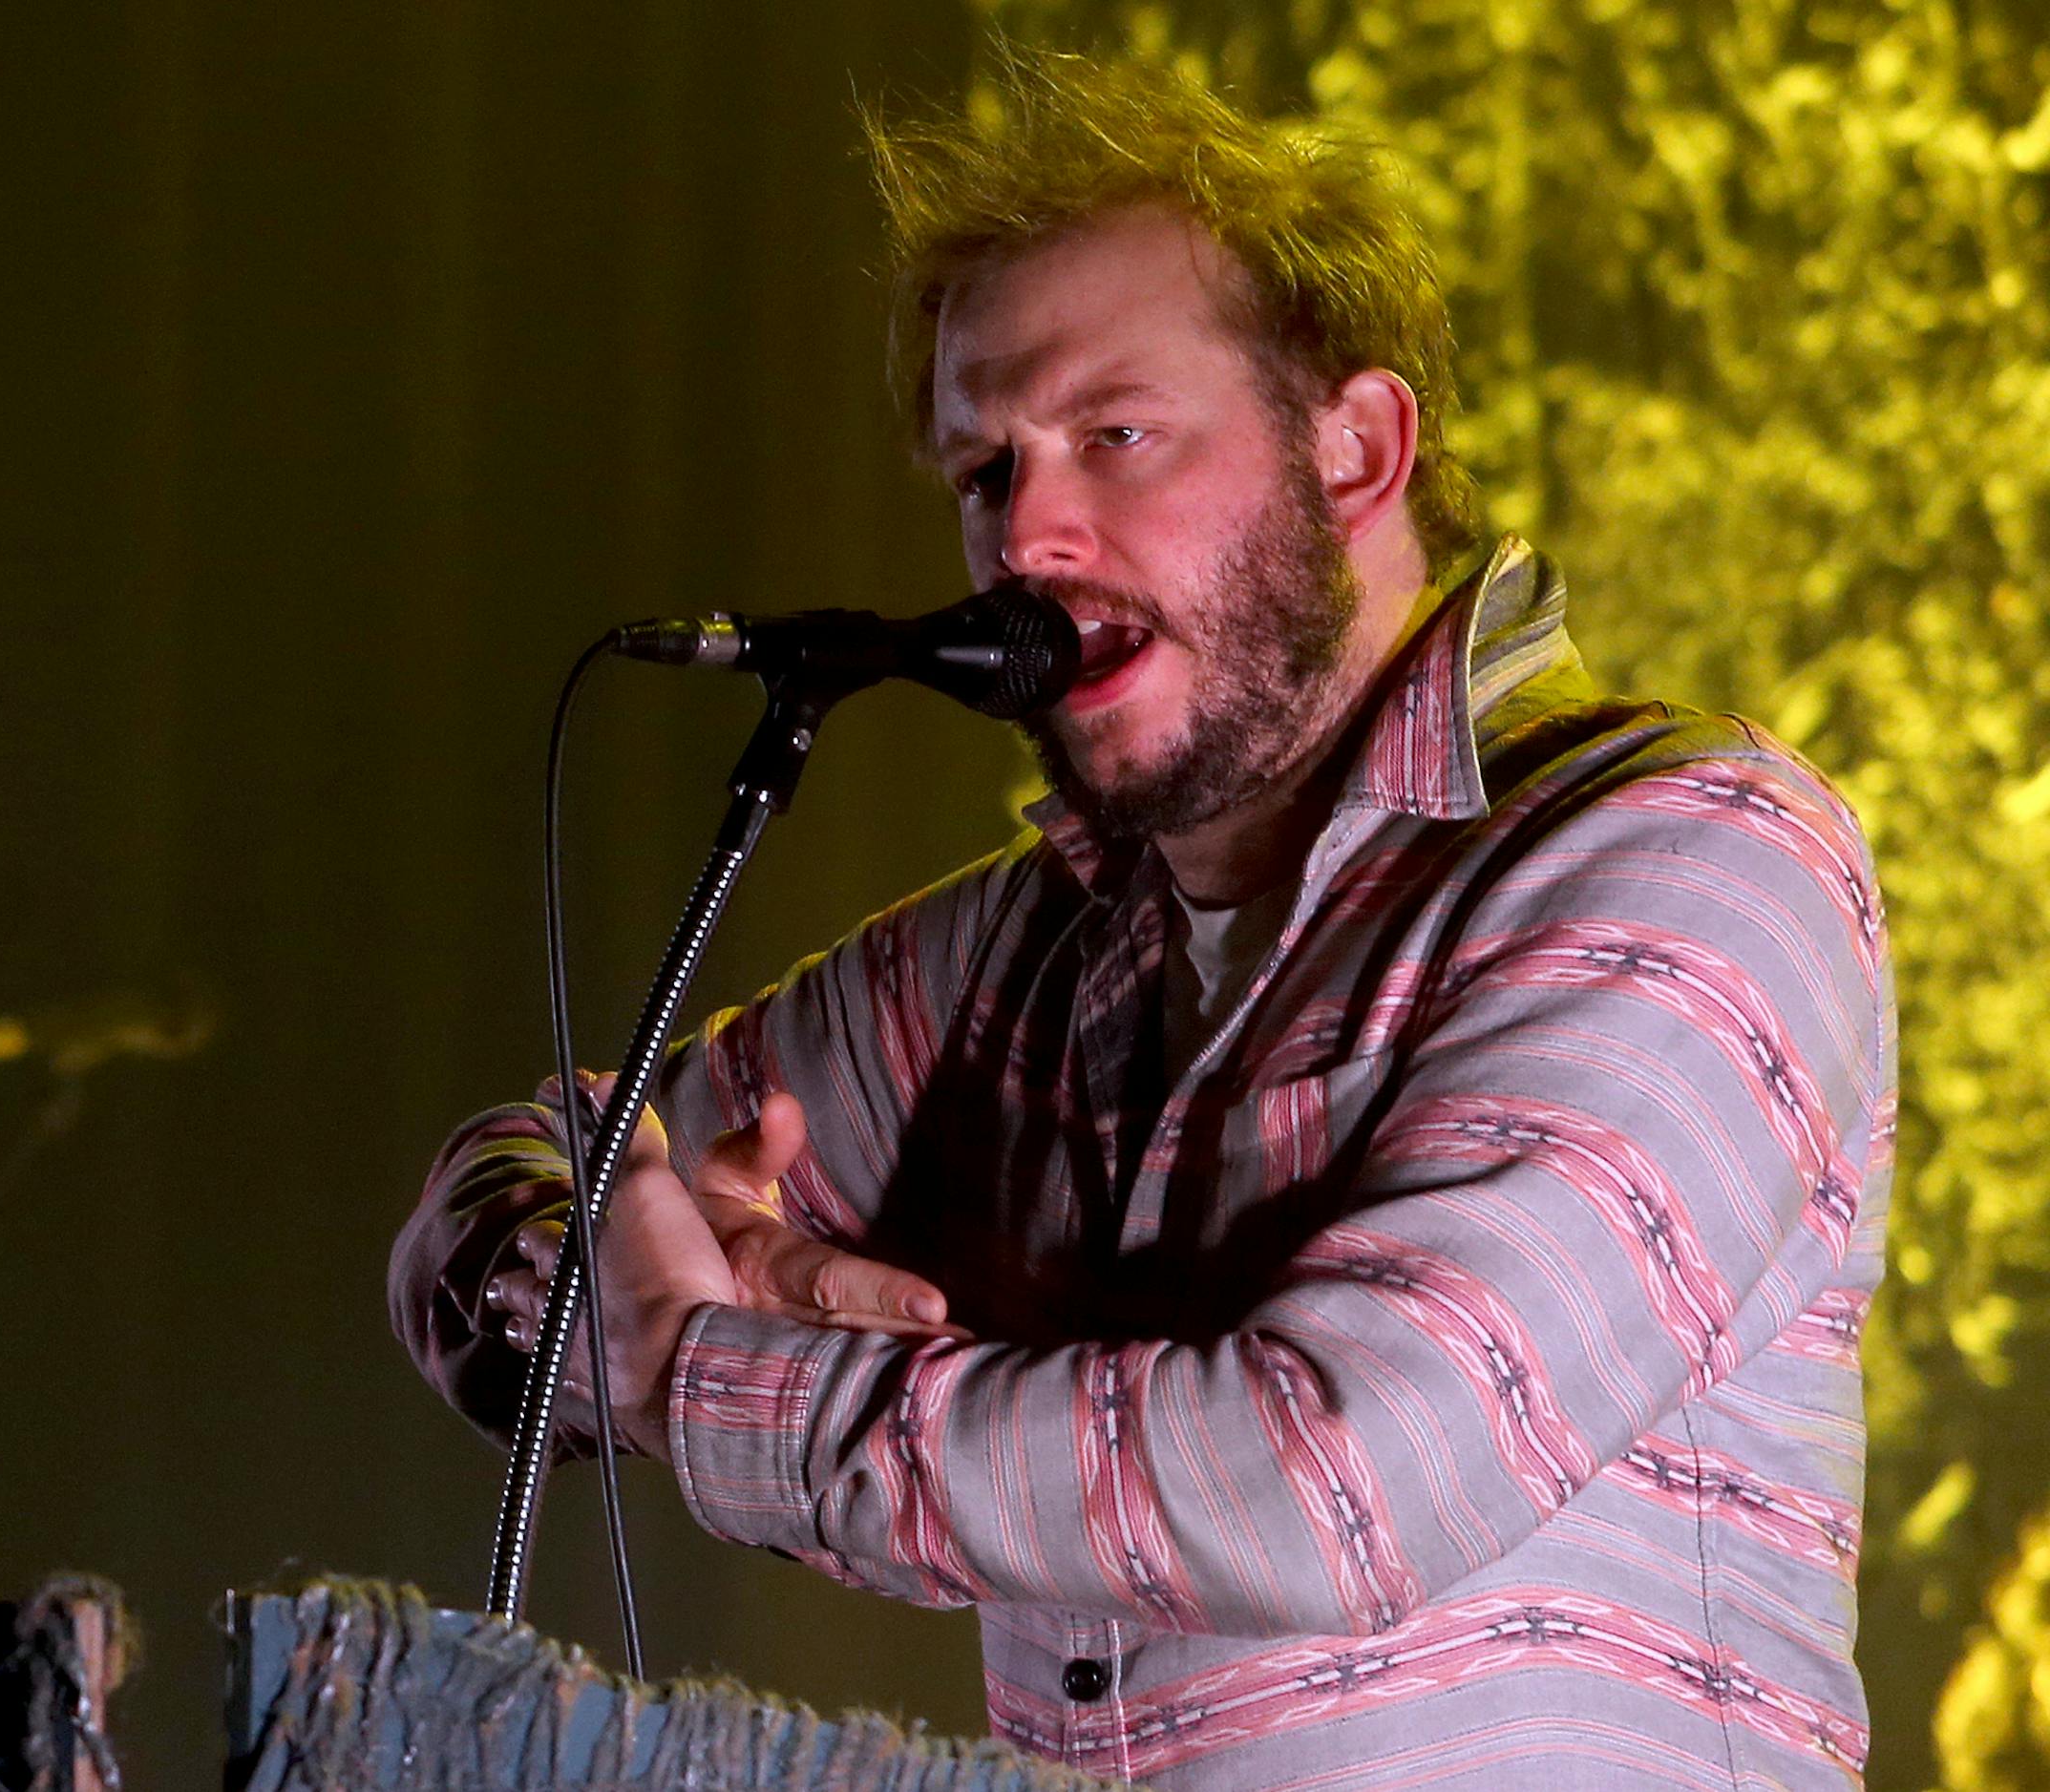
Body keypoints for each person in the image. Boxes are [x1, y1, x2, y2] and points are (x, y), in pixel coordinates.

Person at [390, 53, 1892, 1791]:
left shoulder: (1688, 856)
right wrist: (598, 1273)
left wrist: (704, 1374)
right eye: (984, 468)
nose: (1026, 533)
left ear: (1359, 446)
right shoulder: (1012, 961)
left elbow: (1332, 1485)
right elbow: (525, 1163)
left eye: (1116, 433)